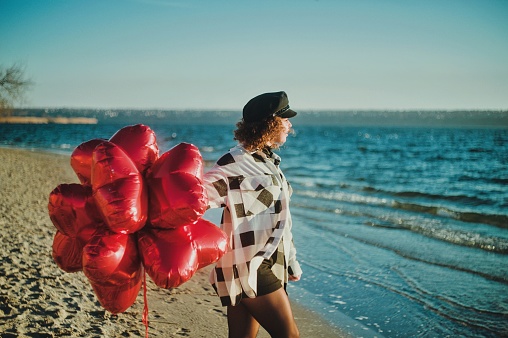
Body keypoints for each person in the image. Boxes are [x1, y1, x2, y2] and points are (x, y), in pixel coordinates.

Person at [203, 91, 303, 338]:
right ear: (270, 123)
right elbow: (201, 195)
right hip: (249, 265)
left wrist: (290, 261)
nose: (289, 124)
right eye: (285, 119)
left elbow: (282, 221)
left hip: (267, 260)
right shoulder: (235, 162)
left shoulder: (270, 163)